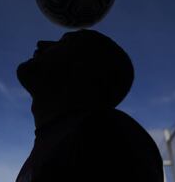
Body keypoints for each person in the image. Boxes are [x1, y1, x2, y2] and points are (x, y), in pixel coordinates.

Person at [16, 29, 163, 182]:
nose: (42, 43)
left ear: (83, 68)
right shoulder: (51, 143)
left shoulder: (107, 133)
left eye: (64, 42)